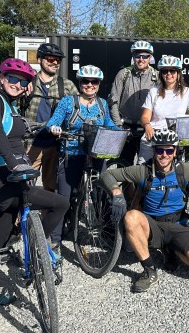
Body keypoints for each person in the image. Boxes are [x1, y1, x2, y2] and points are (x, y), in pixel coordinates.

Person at [0, 58, 69, 313]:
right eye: (12, 78)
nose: (17, 83)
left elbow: (24, 131)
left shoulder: (9, 105)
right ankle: (38, 249)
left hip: (12, 177)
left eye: (23, 81)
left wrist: (50, 130)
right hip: (7, 178)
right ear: (1, 78)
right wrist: (14, 163)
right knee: (61, 202)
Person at [101, 129, 189, 293]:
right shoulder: (143, 171)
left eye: (169, 150)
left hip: (179, 225)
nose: (164, 155)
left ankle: (173, 250)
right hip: (152, 225)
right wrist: (116, 192)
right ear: (153, 150)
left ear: (175, 151)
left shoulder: (183, 169)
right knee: (131, 217)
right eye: (159, 150)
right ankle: (149, 270)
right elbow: (107, 175)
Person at [45, 65, 115, 249]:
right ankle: (55, 241)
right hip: (72, 153)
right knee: (64, 198)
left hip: (96, 154)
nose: (89, 85)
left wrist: (119, 131)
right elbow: (53, 121)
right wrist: (54, 128)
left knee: (101, 194)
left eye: (94, 82)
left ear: (99, 84)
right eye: (85, 81)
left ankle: (108, 234)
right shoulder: (68, 102)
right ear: (80, 82)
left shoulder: (102, 104)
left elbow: (108, 123)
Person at [21, 42, 79, 192]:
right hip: (31, 143)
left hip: (55, 145)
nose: (54, 63)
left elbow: (78, 111)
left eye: (58, 60)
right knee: (23, 186)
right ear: (39, 59)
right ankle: (20, 216)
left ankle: (47, 216)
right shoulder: (27, 82)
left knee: (50, 189)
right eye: (50, 59)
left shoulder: (67, 85)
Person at [138, 55, 189, 164]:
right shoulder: (154, 91)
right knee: (143, 173)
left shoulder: (186, 92)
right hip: (154, 136)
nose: (169, 74)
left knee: (177, 175)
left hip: (175, 140)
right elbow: (145, 116)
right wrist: (147, 125)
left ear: (178, 73)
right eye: (165, 71)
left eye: (172, 71)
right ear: (161, 74)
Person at [109, 40, 159, 165]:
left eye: (145, 56)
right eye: (138, 56)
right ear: (133, 57)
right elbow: (113, 101)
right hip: (126, 126)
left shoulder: (157, 76)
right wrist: (118, 126)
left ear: (150, 58)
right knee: (124, 167)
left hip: (148, 127)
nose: (141, 59)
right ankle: (128, 185)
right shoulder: (123, 74)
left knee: (147, 167)